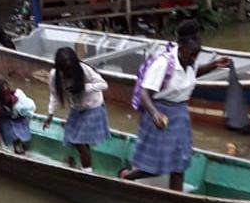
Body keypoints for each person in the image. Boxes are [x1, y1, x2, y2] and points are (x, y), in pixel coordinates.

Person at [121, 21, 231, 191]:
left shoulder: (190, 60)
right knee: (155, 166)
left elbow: (192, 72)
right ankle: (127, 177)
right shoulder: (163, 63)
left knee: (179, 164)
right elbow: (144, 94)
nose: (194, 58)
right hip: (159, 114)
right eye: (192, 54)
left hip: (180, 115)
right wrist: (155, 114)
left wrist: (214, 64)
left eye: (197, 54)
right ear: (181, 48)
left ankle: (177, 198)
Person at [43, 47, 110, 172]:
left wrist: (83, 88)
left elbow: (103, 84)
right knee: (75, 140)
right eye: (65, 70)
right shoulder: (54, 75)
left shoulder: (84, 69)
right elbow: (55, 95)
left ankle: (87, 171)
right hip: (76, 108)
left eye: (70, 69)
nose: (68, 73)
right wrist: (50, 114)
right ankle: (86, 166)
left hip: (93, 106)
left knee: (79, 141)